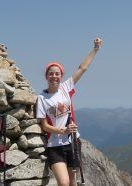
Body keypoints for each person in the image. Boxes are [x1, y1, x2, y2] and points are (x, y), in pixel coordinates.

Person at [36, 38, 102, 186]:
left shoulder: (66, 88)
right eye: (51, 74)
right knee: (64, 183)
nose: (54, 76)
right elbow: (44, 125)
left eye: (57, 74)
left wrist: (95, 49)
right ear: (46, 76)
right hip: (54, 145)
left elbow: (82, 68)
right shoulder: (41, 98)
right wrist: (62, 130)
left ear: (61, 76)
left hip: (72, 142)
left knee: (73, 183)